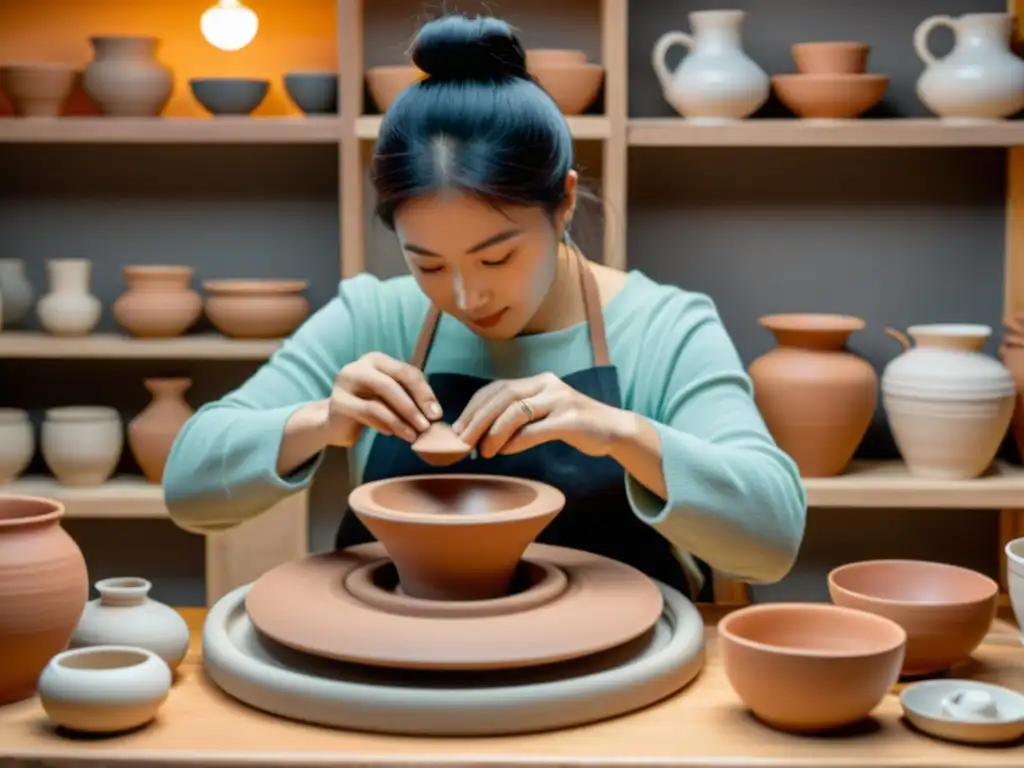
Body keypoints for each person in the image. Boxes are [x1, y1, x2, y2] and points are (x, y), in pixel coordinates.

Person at [162, 13, 807, 601]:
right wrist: (319, 421)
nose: (467, 298)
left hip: (614, 679)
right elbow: (188, 487)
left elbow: (773, 539)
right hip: (400, 660)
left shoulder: (664, 327)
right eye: (429, 265)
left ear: (564, 205)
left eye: (496, 258)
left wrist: (616, 432)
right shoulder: (372, 317)